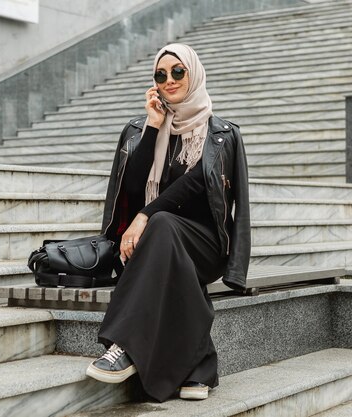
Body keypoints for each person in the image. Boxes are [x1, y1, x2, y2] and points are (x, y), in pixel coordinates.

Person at [85, 43, 250, 402]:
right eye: (161, 74)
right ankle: (200, 367)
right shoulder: (138, 129)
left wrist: (145, 215)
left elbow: (207, 189)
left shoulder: (222, 134)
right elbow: (130, 187)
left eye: (178, 71)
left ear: (194, 73)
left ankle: (123, 346)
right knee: (163, 232)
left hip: (204, 243)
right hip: (158, 246)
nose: (169, 80)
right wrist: (153, 127)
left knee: (161, 222)